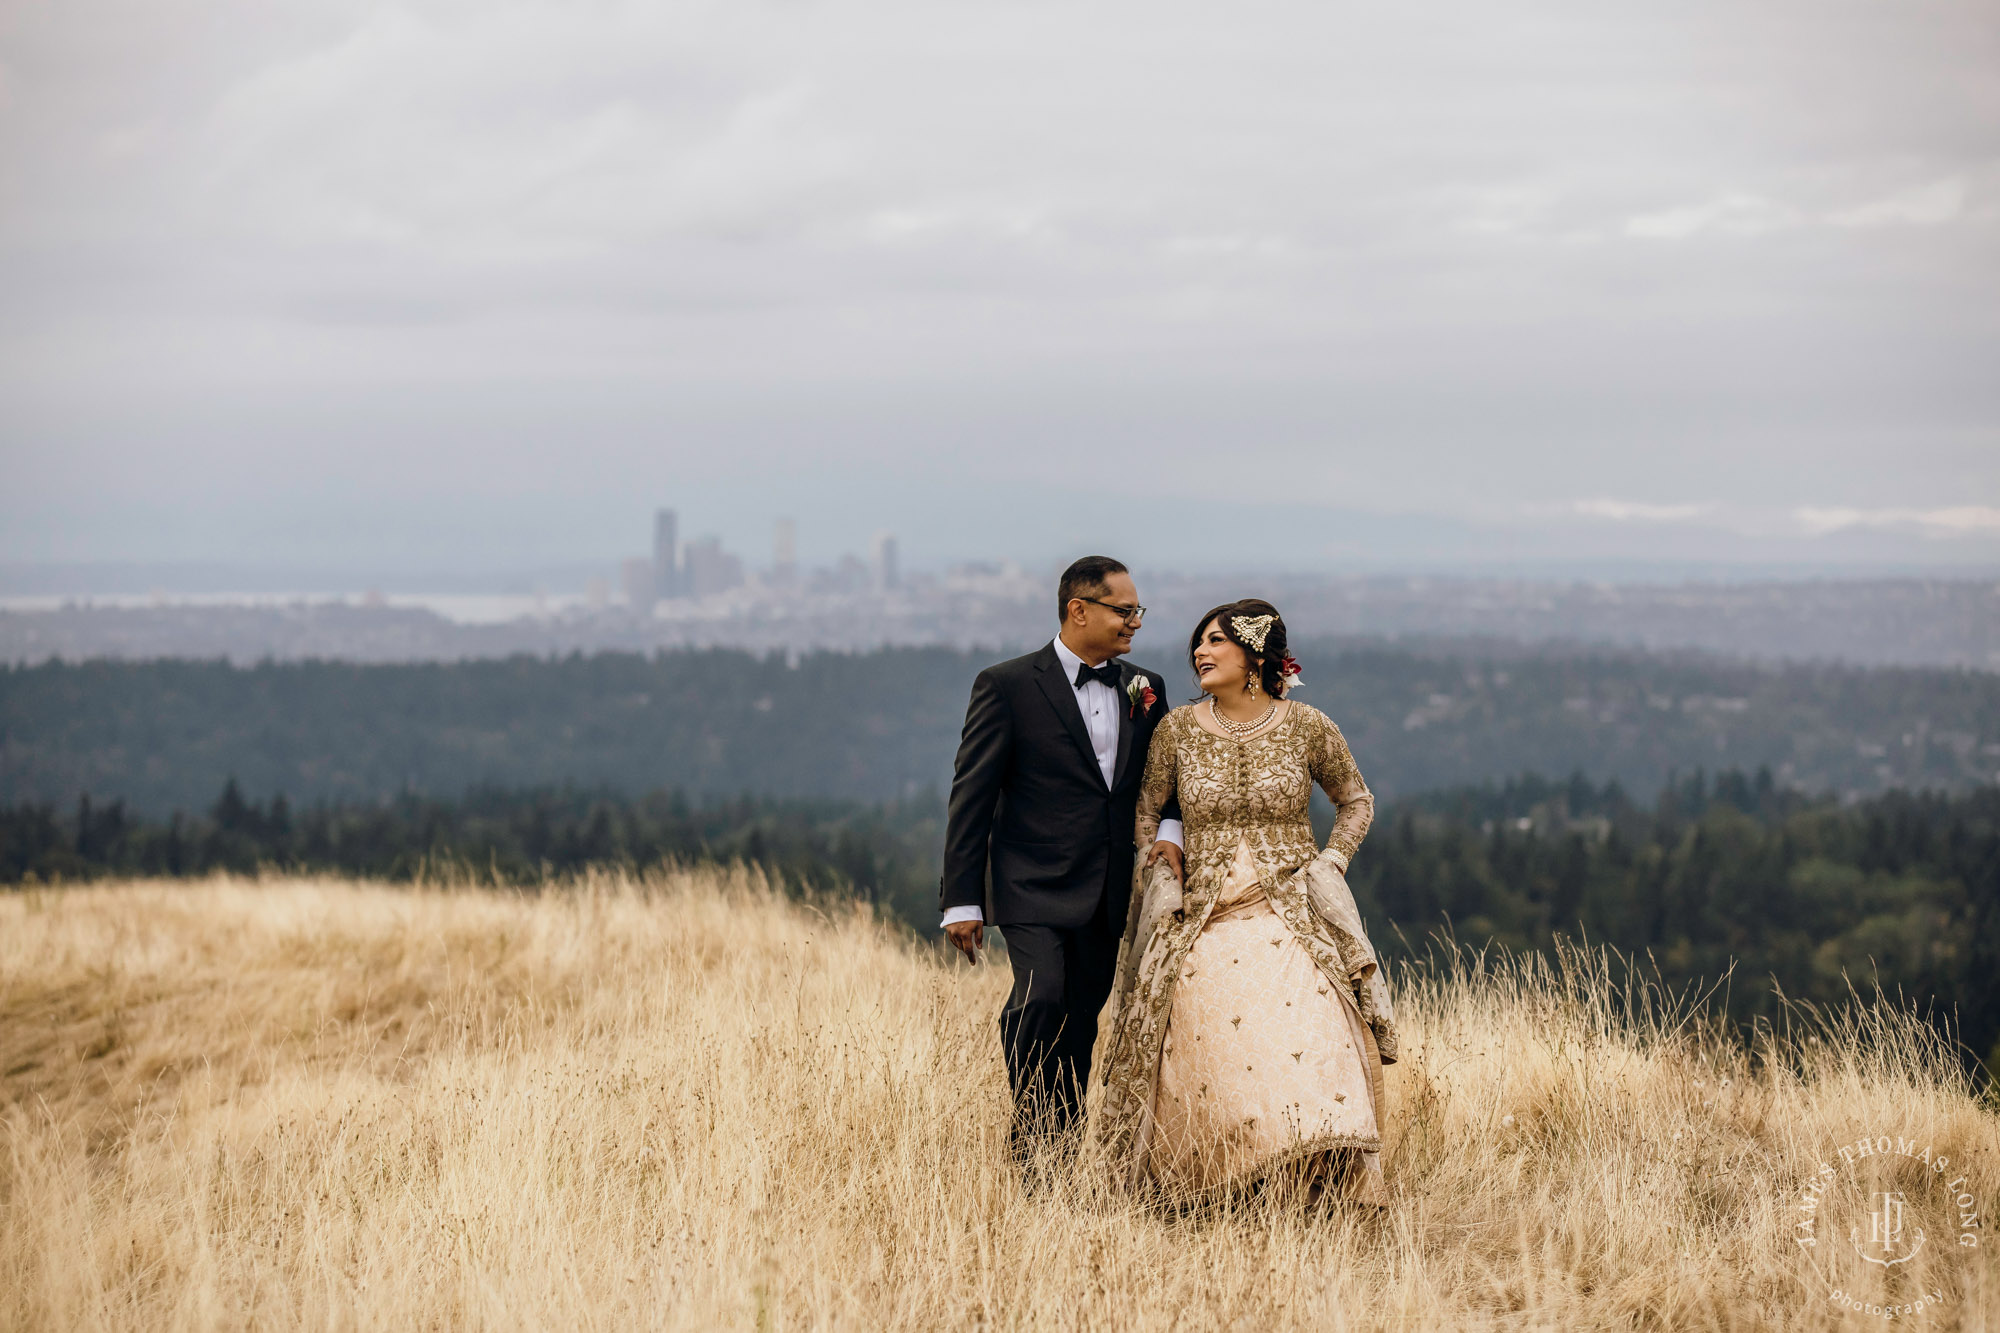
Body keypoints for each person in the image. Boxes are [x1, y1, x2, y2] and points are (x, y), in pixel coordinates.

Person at [1095, 599, 1397, 1204]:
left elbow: (1356, 801)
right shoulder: (1177, 729)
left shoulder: (1308, 725)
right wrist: (1162, 847)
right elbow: (1147, 809)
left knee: (1309, 1026)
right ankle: (1215, 1186)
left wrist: (1329, 863)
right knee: (1203, 1018)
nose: (1198, 653)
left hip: (1288, 909)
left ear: (1254, 655)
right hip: (1203, 913)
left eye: (1213, 642)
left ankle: (1309, 1184)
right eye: (1197, 645)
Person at [940, 555, 1183, 1170]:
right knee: (1040, 996)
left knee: (1080, 1025)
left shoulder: (1145, 687)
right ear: (1079, 610)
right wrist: (961, 901)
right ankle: (1030, 1134)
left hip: (1107, 889)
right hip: (1030, 883)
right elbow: (972, 796)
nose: (1134, 623)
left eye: (1138, 612)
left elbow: (1166, 780)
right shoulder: (1008, 685)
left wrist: (1172, 834)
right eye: (1123, 611)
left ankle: (1059, 1153)